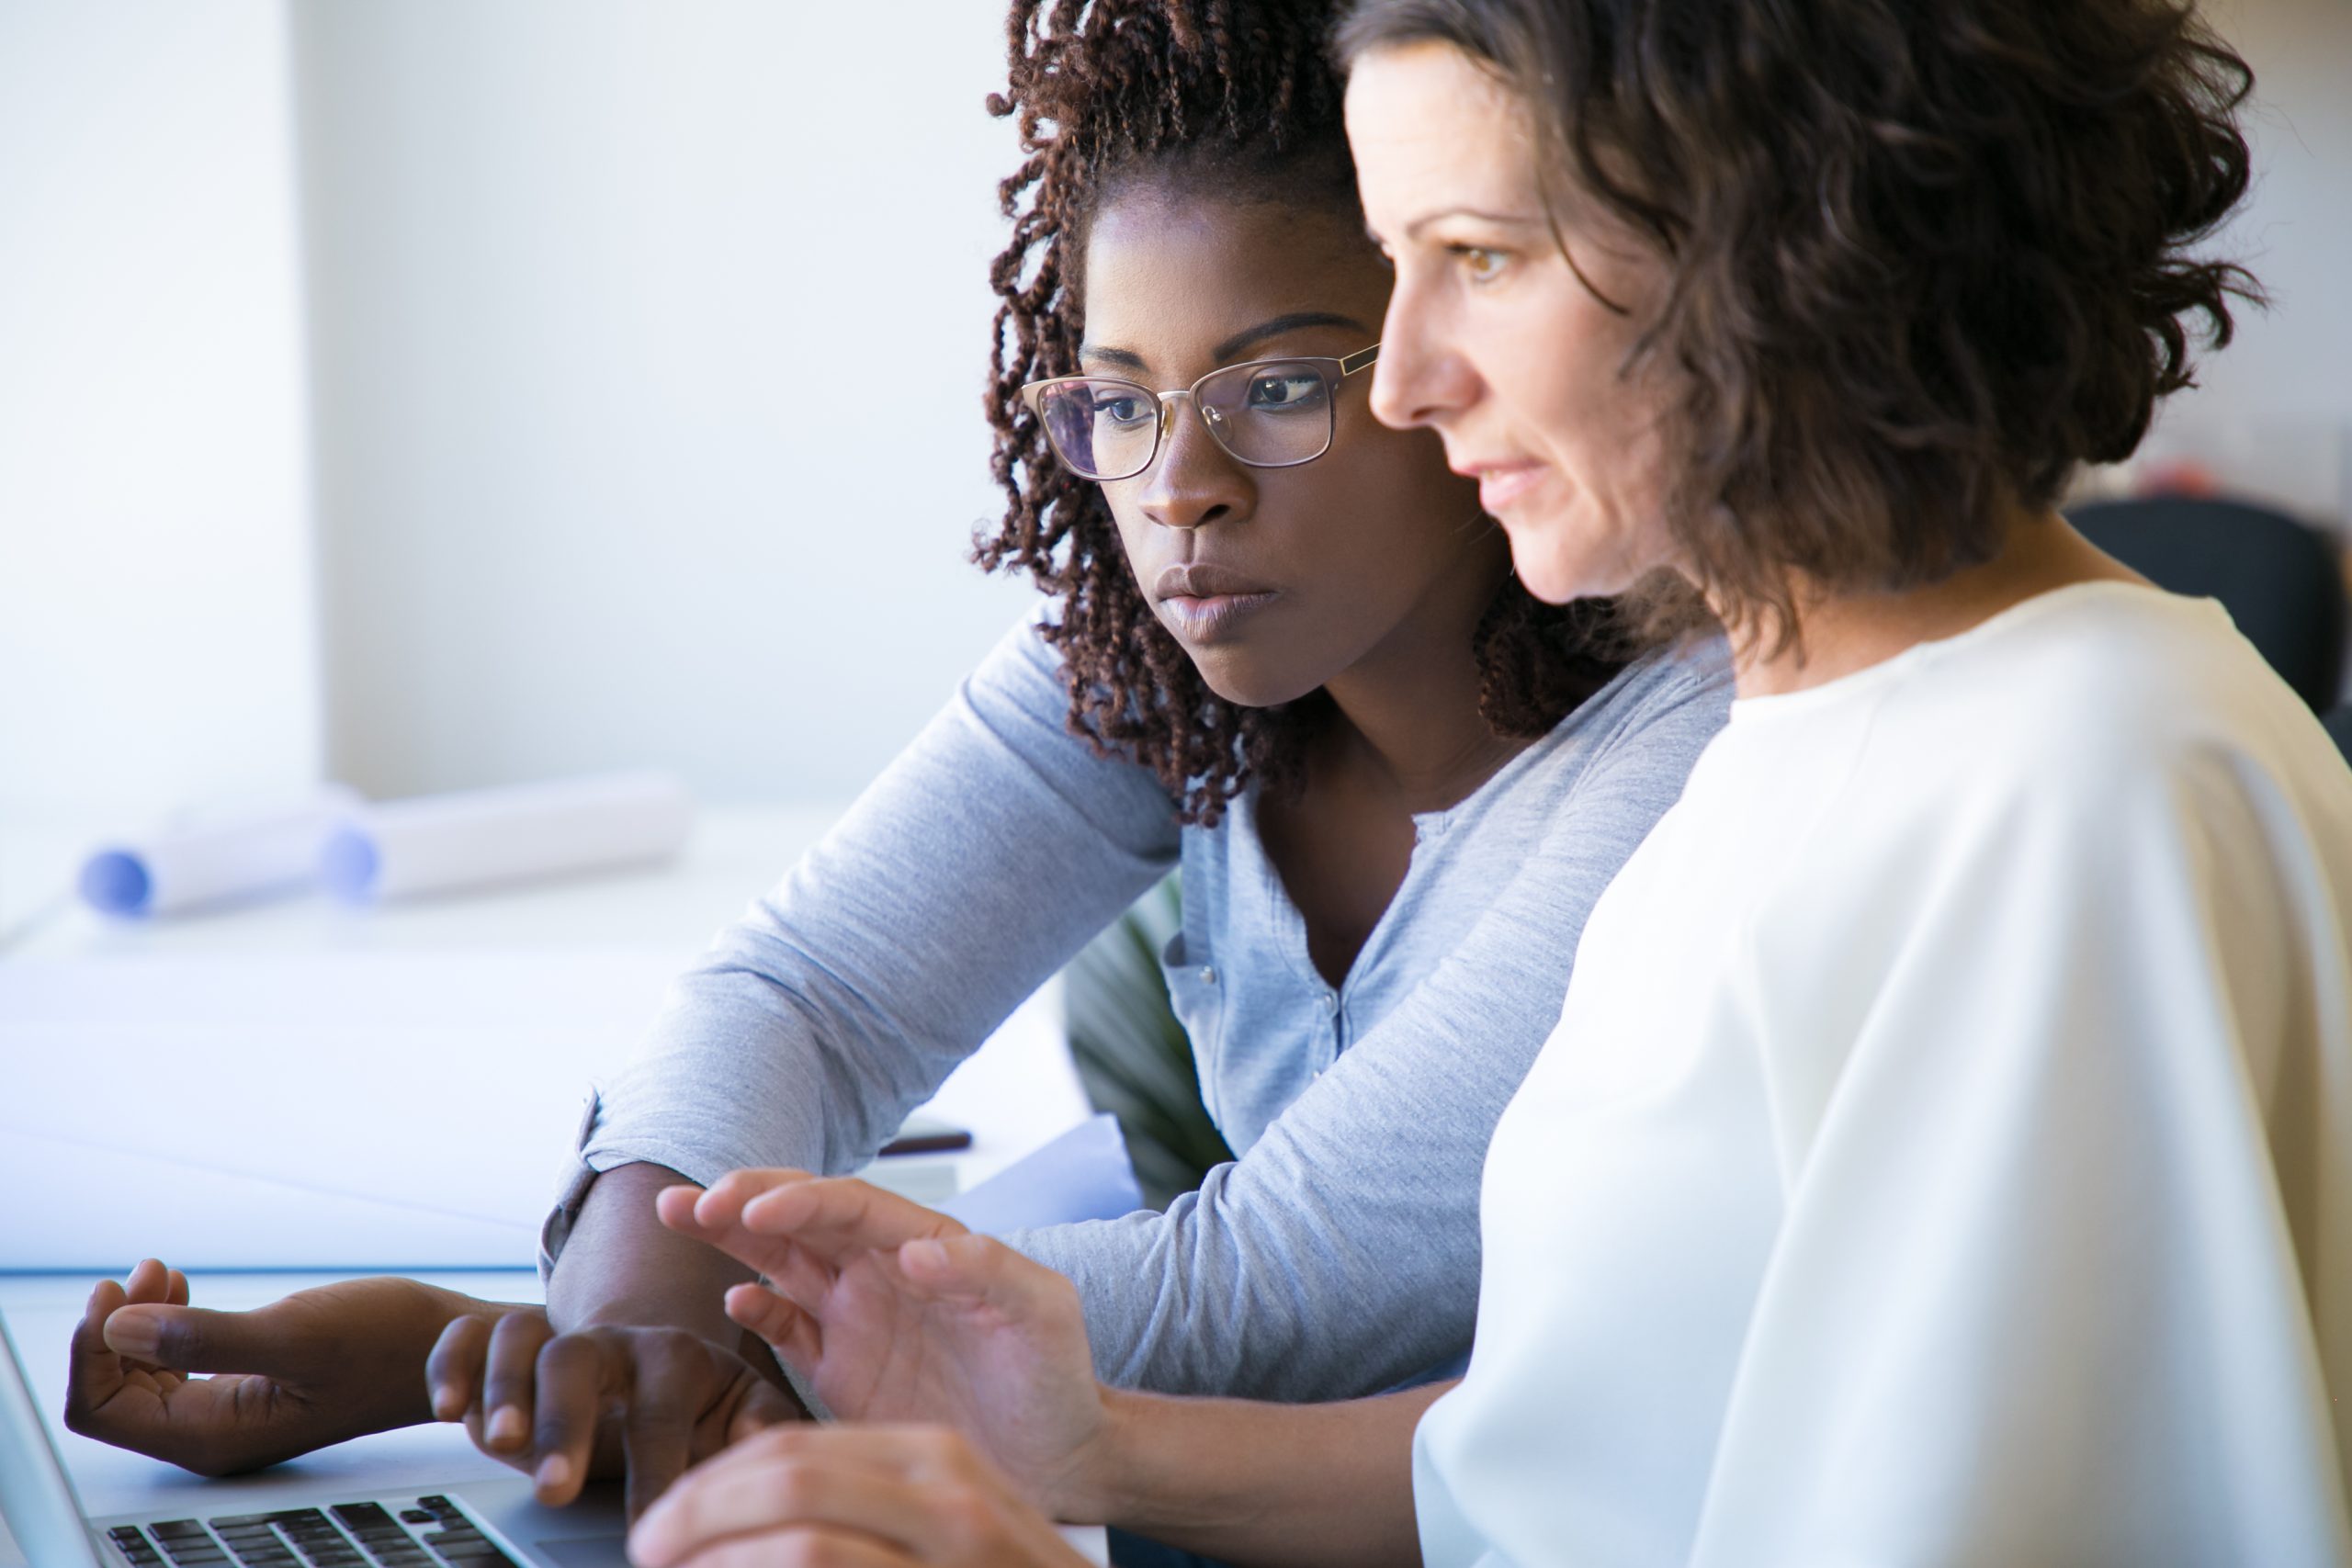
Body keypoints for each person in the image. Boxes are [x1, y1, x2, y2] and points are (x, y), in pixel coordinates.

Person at [611, 0, 2352, 1563]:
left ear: (1768, 236)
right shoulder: (1795, 749)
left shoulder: (2071, 788)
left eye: (1480, 257)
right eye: (1396, 258)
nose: (1420, 380)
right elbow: (1580, 1477)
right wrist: (1081, 1443)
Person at [62, 0, 1730, 1527]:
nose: (1179, 491)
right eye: (1123, 404)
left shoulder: (1702, 741)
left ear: (1463, 355)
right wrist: (621, 1331)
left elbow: (1276, 1285)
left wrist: (492, 1346)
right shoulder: (1166, 662)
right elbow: (804, 992)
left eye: (1282, 384)